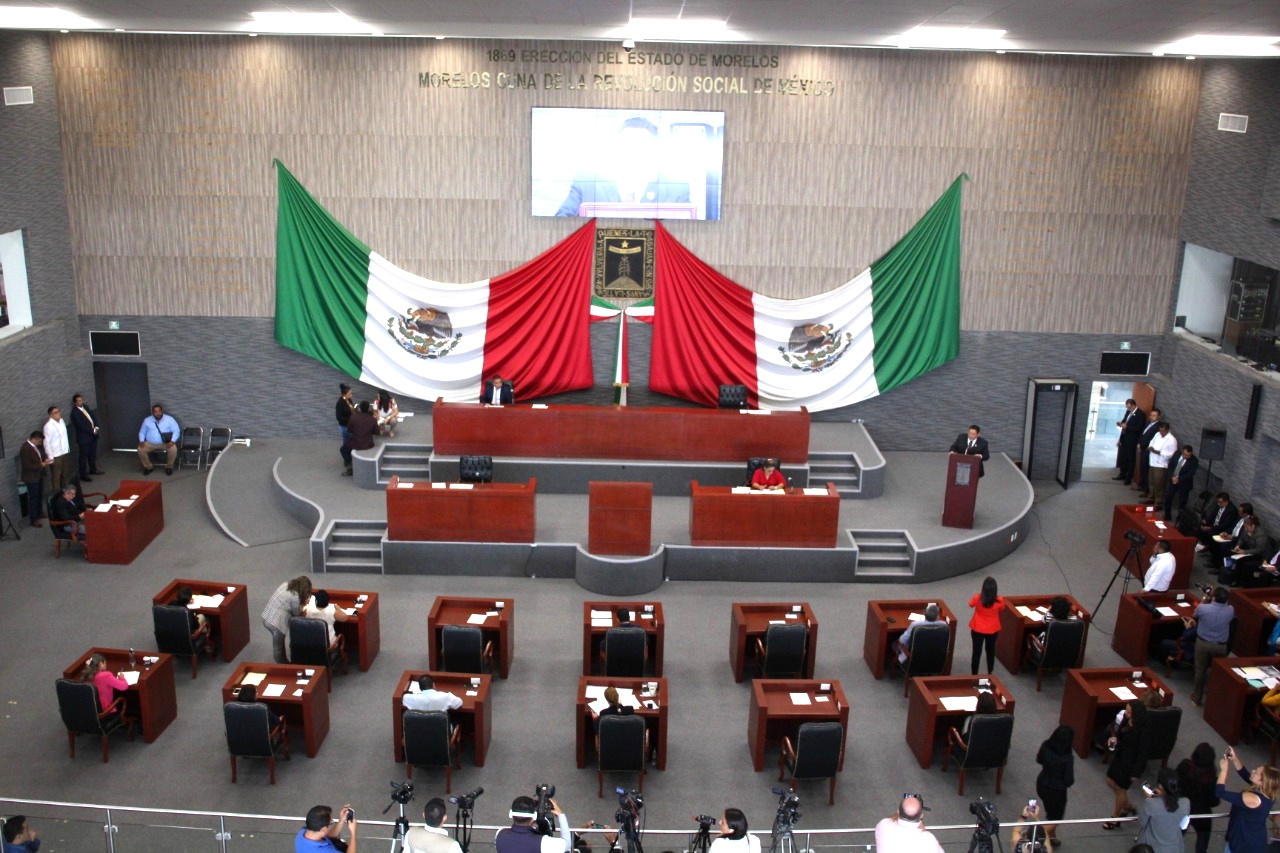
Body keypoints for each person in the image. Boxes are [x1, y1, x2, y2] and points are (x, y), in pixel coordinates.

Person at [554, 116, 691, 218]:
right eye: (626, 144)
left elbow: (690, 235)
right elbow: (560, 224)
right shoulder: (586, 180)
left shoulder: (677, 188)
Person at [1217, 745, 1278, 853]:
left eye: (1256, 772)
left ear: (1262, 782)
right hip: (1253, 838)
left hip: (1244, 845)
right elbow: (1245, 774)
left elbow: (1220, 792)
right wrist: (1234, 758)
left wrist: (1224, 770)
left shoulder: (1253, 799)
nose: (1253, 771)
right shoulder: (1269, 792)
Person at [1103, 702, 1150, 829]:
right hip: (1120, 756)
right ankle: (1128, 806)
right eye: (1126, 710)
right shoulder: (1126, 719)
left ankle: (1115, 818)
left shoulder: (1142, 731)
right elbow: (1120, 735)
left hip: (1130, 763)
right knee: (1110, 781)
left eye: (1129, 712)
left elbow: (1142, 754)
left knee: (1120, 789)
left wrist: (1136, 773)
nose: (1126, 713)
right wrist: (1114, 741)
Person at [1191, 586, 1235, 706]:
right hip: (1221, 646)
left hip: (1203, 644)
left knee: (1200, 670)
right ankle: (1215, 699)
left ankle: (1197, 696)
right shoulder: (1230, 610)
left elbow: (1195, 615)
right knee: (1218, 672)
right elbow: (1225, 605)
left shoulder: (1202, 608)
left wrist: (1206, 596)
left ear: (1213, 597)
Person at [1176, 742, 1220, 853]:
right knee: (1203, 840)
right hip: (1202, 814)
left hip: (1183, 809)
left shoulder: (1184, 766)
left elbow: (1175, 784)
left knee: (1177, 834)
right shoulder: (1212, 778)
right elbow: (1214, 802)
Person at [1035, 726, 1075, 847]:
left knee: (1051, 813)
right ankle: (1036, 838)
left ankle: (1051, 837)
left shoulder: (1046, 745)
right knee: (1056, 818)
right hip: (1057, 791)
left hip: (1042, 784)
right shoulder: (1067, 758)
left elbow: (1039, 760)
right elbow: (1069, 780)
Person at [1135, 767, 1191, 853]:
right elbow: (1183, 826)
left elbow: (1142, 822)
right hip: (1174, 848)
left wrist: (1152, 799)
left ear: (1161, 786)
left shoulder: (1151, 803)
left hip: (1150, 847)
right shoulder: (1186, 803)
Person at [261, 575, 313, 664]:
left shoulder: (285, 584)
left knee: (278, 645)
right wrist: (304, 606)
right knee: (278, 648)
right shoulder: (295, 597)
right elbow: (296, 613)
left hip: (266, 617)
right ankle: (283, 665)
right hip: (276, 624)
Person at [494, 795, 572, 853]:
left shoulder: (499, 834)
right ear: (534, 817)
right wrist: (561, 815)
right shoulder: (543, 842)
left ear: (512, 814)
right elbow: (567, 843)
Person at [874, 795, 943, 853]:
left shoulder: (883, 825)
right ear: (921, 815)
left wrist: (905, 812)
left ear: (898, 811)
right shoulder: (929, 840)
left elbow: (891, 819)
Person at [967, 576, 1004, 675]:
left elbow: (970, 604)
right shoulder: (999, 600)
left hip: (977, 628)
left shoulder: (977, 598)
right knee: (990, 651)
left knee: (976, 653)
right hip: (993, 629)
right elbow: (1001, 608)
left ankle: (974, 675)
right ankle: (990, 673)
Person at [69, 393, 105, 482]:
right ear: (75, 402)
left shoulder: (86, 407)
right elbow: (80, 426)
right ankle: (83, 474)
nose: (81, 402)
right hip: (84, 438)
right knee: (83, 456)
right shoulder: (75, 413)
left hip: (93, 436)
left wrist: (96, 427)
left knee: (92, 454)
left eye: (82, 400)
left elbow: (93, 418)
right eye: (79, 401)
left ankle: (93, 469)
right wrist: (92, 431)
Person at [137, 403, 180, 476]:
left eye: (159, 411)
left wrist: (172, 441)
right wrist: (141, 441)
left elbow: (177, 431)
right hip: (150, 443)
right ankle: (148, 467)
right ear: (153, 412)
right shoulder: (147, 420)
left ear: (162, 411)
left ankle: (169, 467)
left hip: (165, 443)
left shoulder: (170, 419)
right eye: (155, 412)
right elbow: (142, 432)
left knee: (173, 449)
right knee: (140, 449)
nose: (158, 413)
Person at [302, 589, 349, 654]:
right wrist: (338, 609)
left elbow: (301, 612)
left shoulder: (307, 610)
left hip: (312, 644)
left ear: (316, 601)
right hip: (328, 645)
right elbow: (345, 618)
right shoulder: (331, 611)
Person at [19, 431, 50, 528]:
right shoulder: (25, 449)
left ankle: (39, 512)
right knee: (33, 498)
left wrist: (44, 460)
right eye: (39, 441)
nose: (40, 444)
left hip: (38, 475)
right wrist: (41, 465)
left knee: (39, 495)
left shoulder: (35, 447)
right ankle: (33, 518)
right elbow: (27, 465)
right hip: (31, 477)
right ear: (34, 439)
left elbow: (39, 456)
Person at [1145, 421, 1177, 508]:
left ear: (1167, 430)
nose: (1161, 432)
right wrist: (1151, 447)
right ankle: (1151, 497)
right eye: (1160, 430)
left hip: (1161, 464)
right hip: (1152, 461)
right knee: (1151, 481)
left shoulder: (1172, 440)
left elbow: (1173, 454)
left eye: (1163, 431)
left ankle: (1158, 502)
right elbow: (1151, 442)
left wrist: (1160, 452)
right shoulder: (1157, 434)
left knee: (1159, 484)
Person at [1163, 445, 1198, 520]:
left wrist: (1179, 478)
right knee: (1168, 497)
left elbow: (1190, 473)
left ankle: (1180, 519)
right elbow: (1171, 465)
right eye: (1185, 454)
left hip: (1184, 483)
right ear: (1182, 451)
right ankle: (1167, 515)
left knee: (1182, 501)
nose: (1186, 456)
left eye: (1188, 455)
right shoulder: (1177, 453)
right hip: (1173, 480)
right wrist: (1172, 476)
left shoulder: (1194, 460)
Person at [1114, 399, 1144, 484]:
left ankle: (1129, 477)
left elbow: (1138, 428)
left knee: (1130, 459)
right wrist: (1120, 423)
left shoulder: (1140, 414)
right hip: (1124, 437)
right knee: (1123, 457)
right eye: (1127, 407)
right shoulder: (1128, 412)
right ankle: (1122, 473)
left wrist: (1127, 427)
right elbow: (1125, 421)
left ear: (1134, 405)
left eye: (1130, 407)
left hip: (1132, 440)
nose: (1128, 409)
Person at [42, 405, 71, 492]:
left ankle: (64, 492)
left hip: (65, 451)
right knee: (56, 477)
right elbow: (46, 443)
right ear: (51, 415)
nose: (59, 413)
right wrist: (51, 457)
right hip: (56, 455)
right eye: (56, 412)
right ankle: (57, 495)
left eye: (59, 411)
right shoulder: (48, 426)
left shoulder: (61, 421)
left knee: (64, 474)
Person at [1134, 407, 1162, 496]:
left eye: (1154, 416)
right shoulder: (1148, 423)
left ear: (1159, 417)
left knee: (1146, 470)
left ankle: (1146, 489)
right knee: (1142, 468)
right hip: (1141, 448)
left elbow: (1150, 439)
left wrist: (1142, 446)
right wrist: (1138, 443)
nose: (1152, 417)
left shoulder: (1158, 427)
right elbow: (1142, 434)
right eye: (1151, 415)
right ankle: (1141, 485)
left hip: (1148, 450)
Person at [336, 383, 355, 476]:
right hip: (345, 427)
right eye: (350, 394)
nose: (351, 395)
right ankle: (348, 463)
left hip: (350, 425)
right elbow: (339, 418)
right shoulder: (340, 403)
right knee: (346, 444)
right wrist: (350, 419)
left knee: (349, 444)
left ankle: (349, 459)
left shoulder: (349, 400)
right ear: (344, 394)